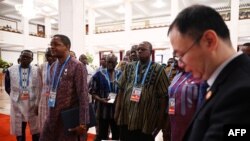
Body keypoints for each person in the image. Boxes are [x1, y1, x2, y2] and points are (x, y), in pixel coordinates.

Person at [168, 5, 250, 141]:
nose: (181, 64)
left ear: (209, 40)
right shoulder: (223, 80)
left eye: (181, 55)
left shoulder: (241, 92)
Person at [115, 41, 169, 141]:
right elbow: (121, 90)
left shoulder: (159, 70)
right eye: (138, 49)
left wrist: (160, 120)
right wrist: (117, 111)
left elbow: (163, 97)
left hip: (146, 120)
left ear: (150, 52)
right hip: (127, 117)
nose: (139, 51)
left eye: (143, 49)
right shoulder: (129, 67)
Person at [39, 34, 89, 141]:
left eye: (56, 44)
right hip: (52, 114)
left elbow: (83, 95)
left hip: (68, 117)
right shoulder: (53, 66)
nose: (52, 47)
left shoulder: (77, 66)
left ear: (67, 46)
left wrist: (83, 122)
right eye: (51, 44)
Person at [5, 50, 40, 141]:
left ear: (32, 59)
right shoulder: (11, 70)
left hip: (32, 103)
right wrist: (14, 96)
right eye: (23, 56)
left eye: (28, 57)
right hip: (18, 104)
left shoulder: (37, 70)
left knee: (36, 129)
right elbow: (7, 86)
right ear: (20, 57)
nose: (25, 59)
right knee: (20, 129)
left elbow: (40, 86)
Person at [89, 53, 121, 141]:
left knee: (116, 134)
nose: (110, 64)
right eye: (108, 62)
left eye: (112, 62)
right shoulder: (98, 75)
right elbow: (91, 91)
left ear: (116, 63)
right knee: (102, 135)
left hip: (116, 111)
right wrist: (100, 99)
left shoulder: (120, 74)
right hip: (102, 110)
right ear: (105, 62)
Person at [167, 71, 205, 141]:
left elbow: (202, 108)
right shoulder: (177, 76)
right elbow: (172, 95)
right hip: (174, 123)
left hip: (190, 126)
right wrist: (170, 112)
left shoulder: (200, 78)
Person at [37, 48, 56, 132]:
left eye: (52, 55)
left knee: (54, 124)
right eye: (48, 55)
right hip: (43, 99)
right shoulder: (42, 66)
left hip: (56, 98)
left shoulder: (60, 66)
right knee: (43, 123)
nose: (50, 58)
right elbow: (39, 85)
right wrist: (36, 103)